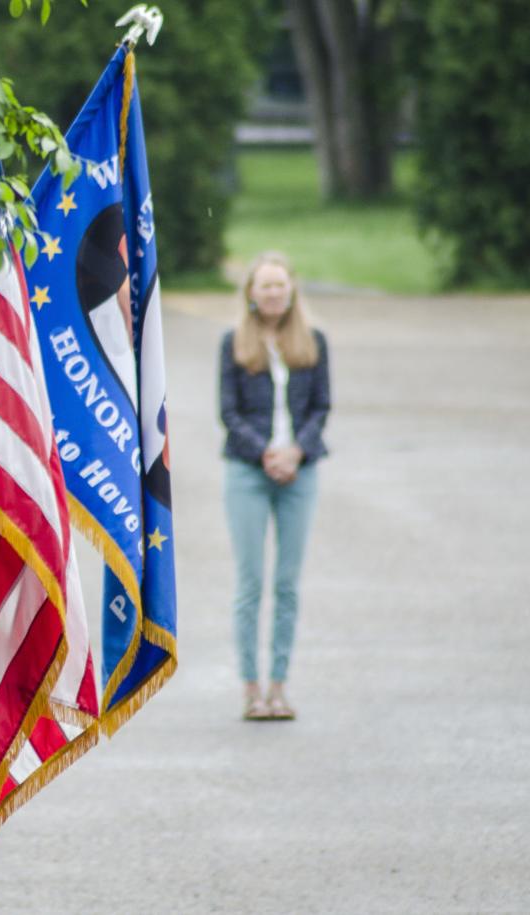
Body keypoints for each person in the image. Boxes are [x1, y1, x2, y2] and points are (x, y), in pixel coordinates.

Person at [219, 251, 331, 721]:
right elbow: (228, 411)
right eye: (265, 286)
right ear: (250, 292)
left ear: (291, 292)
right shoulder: (234, 344)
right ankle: (251, 688)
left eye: (280, 286)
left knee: (286, 584)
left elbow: (321, 408)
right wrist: (265, 452)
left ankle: (279, 687)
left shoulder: (313, 342)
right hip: (248, 472)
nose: (273, 294)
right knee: (250, 583)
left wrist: (295, 452)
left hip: (299, 473)